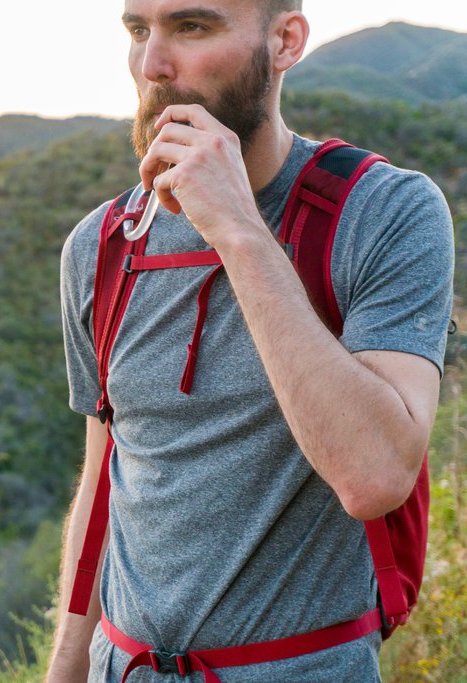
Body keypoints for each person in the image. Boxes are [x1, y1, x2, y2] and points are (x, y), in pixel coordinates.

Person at [50, 1, 454, 681]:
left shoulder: (386, 213)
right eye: (138, 30)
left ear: (285, 41)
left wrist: (237, 228)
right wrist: (65, 665)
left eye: (192, 27)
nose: (152, 64)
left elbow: (377, 474)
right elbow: (105, 477)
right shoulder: (101, 247)